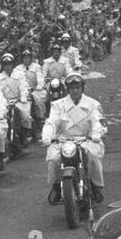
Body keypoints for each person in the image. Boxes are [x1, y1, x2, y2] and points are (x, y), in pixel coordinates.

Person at [42, 72, 106, 205]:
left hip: (86, 140)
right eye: (72, 88)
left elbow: (98, 121)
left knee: (93, 156)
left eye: (77, 87)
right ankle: (56, 185)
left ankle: (96, 186)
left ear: (82, 88)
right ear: (67, 90)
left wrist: (97, 134)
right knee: (54, 159)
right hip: (64, 141)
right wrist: (47, 135)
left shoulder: (93, 104)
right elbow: (52, 122)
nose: (75, 91)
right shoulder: (58, 105)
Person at [0, 53, 32, 145]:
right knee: (1, 118)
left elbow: (23, 86)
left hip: (18, 101)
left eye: (9, 64)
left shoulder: (20, 74)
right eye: (5, 64)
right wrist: (3, 102)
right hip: (5, 103)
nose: (7, 67)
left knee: (25, 116)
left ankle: (24, 135)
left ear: (12, 64)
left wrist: (23, 97)